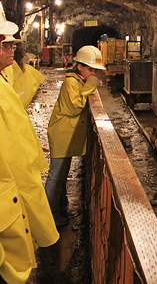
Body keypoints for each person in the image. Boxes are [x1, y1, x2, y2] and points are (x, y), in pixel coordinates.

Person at [0, 3, 59, 283]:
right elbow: (11, 159)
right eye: (5, 46)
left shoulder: (3, 83)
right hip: (8, 203)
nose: (12, 50)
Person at [45, 45, 105, 226]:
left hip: (67, 134)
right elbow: (75, 107)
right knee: (56, 177)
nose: (92, 73)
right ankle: (47, 217)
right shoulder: (71, 82)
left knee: (62, 175)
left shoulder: (77, 81)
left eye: (94, 70)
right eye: (90, 69)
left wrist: (87, 85)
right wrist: (90, 87)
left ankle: (62, 207)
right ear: (79, 67)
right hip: (62, 134)